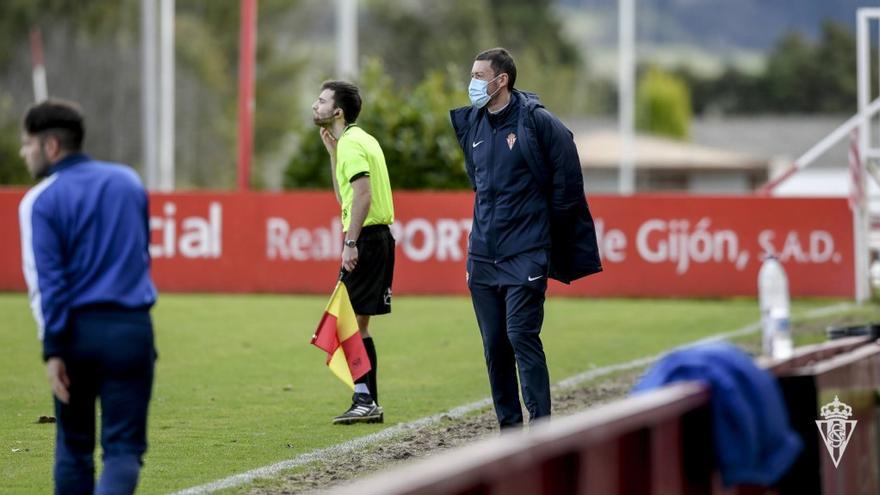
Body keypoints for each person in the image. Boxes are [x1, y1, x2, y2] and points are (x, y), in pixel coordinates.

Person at [450, 48, 602, 429]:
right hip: (483, 255)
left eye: (480, 75)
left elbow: (568, 184)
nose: (472, 83)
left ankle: (541, 427)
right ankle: (510, 430)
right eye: (472, 74)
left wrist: (541, 235)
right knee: (495, 347)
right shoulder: (472, 124)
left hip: (527, 252)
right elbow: (480, 185)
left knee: (521, 335)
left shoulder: (538, 123)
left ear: (502, 80)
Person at [18, 99, 157, 494]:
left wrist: (53, 349)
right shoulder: (128, 181)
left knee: (74, 448)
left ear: (51, 146)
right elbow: (140, 254)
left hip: (77, 334)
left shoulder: (40, 200)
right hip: (132, 331)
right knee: (123, 451)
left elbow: (49, 284)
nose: (23, 153)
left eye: (27, 144)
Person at [312, 80, 395, 424]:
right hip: (378, 238)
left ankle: (364, 398)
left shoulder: (352, 144)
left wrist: (350, 243)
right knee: (358, 324)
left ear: (338, 112)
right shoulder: (356, 141)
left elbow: (363, 196)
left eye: (321, 100)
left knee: (346, 320)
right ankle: (368, 400)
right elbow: (344, 196)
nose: (315, 105)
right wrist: (333, 155)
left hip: (368, 240)